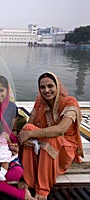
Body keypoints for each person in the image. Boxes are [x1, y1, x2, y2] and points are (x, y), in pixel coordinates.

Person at [18, 72, 84, 200]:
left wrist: (30, 134)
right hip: (47, 140)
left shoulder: (70, 102)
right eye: (43, 87)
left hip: (65, 147)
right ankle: (28, 180)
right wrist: (24, 134)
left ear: (57, 86)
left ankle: (42, 189)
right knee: (27, 129)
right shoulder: (40, 101)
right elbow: (29, 124)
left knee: (51, 138)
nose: (46, 90)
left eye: (50, 86)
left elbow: (60, 130)